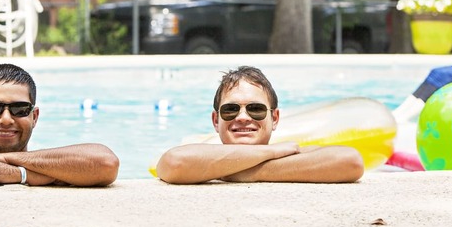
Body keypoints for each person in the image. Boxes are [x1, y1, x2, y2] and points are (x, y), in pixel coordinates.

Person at [156, 66, 365, 184]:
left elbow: (351, 161)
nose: (243, 117)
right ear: (215, 120)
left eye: (255, 108)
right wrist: (272, 153)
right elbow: (174, 163)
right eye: (231, 109)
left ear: (274, 119)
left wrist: (250, 172)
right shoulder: (284, 153)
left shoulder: (285, 153)